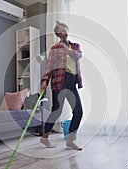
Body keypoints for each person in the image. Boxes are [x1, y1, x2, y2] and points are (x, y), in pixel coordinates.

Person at [40, 21, 83, 151]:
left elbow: (77, 56)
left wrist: (66, 48)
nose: (62, 34)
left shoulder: (75, 46)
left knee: (78, 111)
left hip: (71, 81)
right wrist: (45, 80)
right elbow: (50, 65)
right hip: (59, 81)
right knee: (56, 110)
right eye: (59, 32)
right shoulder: (54, 49)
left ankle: (70, 140)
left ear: (67, 32)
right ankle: (45, 137)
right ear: (57, 34)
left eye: (64, 31)